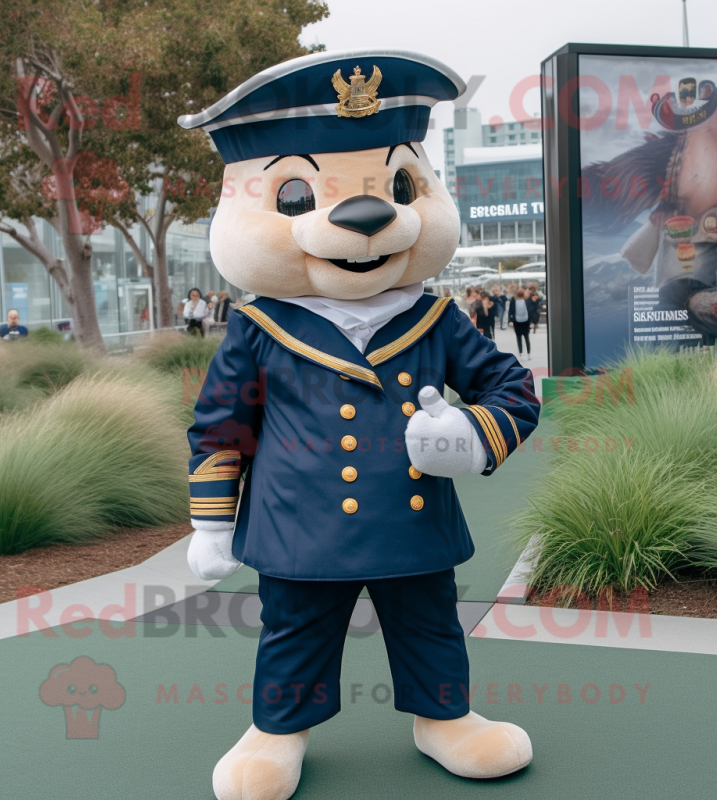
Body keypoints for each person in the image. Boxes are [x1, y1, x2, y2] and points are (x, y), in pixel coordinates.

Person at [179, 48, 540, 800]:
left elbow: (513, 386)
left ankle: (446, 719)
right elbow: (221, 428)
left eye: (402, 185)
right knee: (294, 631)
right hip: (297, 531)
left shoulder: (435, 317)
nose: (371, 216)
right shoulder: (257, 328)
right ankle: (277, 732)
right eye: (294, 197)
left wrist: (472, 435)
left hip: (411, 527)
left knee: (430, 624)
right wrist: (211, 523)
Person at [508, 288, 533, 360]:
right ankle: (528, 354)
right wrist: (531, 322)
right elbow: (530, 311)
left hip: (516, 322)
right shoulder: (527, 301)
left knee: (518, 338)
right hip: (526, 321)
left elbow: (510, 311)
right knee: (526, 337)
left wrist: (510, 320)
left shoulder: (513, 301)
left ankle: (521, 353)